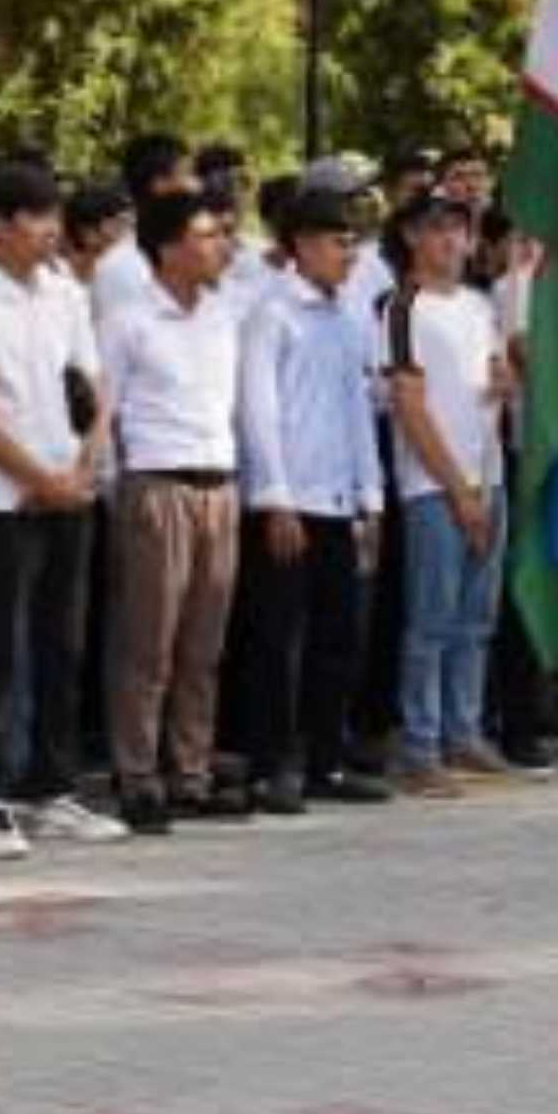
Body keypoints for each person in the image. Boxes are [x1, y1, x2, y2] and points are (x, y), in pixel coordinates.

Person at [0, 160, 117, 855]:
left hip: (70, 489)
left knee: (63, 643)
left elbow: (96, 387)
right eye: (40, 218)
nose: (52, 232)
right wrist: (40, 480)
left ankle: (55, 788)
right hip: (7, 500)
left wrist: (82, 465)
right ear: (5, 225)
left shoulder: (65, 291)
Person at [232, 175, 392, 805]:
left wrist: (370, 497)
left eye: (352, 243)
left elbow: (357, 407)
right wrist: (273, 495)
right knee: (275, 639)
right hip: (288, 500)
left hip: (336, 498)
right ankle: (270, 765)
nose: (348, 255)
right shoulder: (271, 314)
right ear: (299, 245)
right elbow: (259, 409)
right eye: (335, 242)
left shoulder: (349, 316)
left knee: (338, 637)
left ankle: (326, 760)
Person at [98, 180, 251, 831]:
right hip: (157, 482)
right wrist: (115, 489)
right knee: (148, 643)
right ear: (166, 248)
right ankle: (137, 775)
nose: (220, 245)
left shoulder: (225, 314)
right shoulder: (129, 319)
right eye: (205, 235)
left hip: (218, 480)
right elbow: (103, 410)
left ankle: (190, 769)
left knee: (203, 643)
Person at [382, 192, 517, 788]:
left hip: (488, 473)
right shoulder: (402, 306)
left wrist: (503, 383)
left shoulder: (477, 304)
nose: (450, 242)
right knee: (431, 618)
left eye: (459, 231)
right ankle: (420, 743)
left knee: (476, 616)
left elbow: (488, 381)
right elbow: (409, 406)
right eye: (436, 231)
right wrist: (456, 487)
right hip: (433, 483)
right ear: (412, 237)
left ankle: (464, 731)